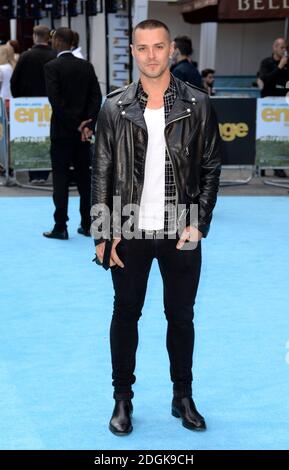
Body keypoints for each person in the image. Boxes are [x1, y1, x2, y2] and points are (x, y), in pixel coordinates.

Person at [90, 19, 221, 435]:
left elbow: (211, 166)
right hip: (129, 231)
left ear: (171, 51)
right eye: (143, 47)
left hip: (181, 231)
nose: (151, 55)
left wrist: (198, 221)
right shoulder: (114, 106)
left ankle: (182, 396)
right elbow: (101, 173)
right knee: (125, 315)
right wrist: (101, 232)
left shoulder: (197, 104)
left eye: (158, 47)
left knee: (181, 317)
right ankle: (122, 399)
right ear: (132, 51)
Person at [43, 27, 102, 240]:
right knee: (84, 178)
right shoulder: (86, 67)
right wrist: (87, 123)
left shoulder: (51, 67)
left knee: (60, 178)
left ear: (59, 41)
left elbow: (56, 102)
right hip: (83, 134)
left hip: (62, 132)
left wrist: (76, 123)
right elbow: (97, 97)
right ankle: (87, 224)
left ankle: (60, 226)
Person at [11, 25, 56, 184]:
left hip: (28, 107)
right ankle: (47, 171)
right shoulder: (54, 55)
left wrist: (19, 100)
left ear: (34, 36)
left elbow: (14, 81)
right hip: (52, 105)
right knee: (50, 138)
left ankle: (34, 174)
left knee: (32, 137)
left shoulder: (25, 56)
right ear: (48, 38)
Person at [258, 38, 289, 178]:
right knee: (267, 136)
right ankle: (263, 166)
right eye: (281, 47)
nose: (283, 49)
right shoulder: (267, 63)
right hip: (268, 105)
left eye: (285, 47)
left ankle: (278, 166)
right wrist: (280, 67)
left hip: (284, 104)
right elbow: (265, 80)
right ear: (274, 47)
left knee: (281, 136)